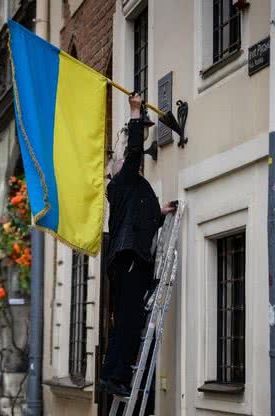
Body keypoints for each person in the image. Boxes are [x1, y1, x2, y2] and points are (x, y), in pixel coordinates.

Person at [99, 93, 176, 399]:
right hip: (129, 259)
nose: (132, 166)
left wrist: (159, 215)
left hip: (127, 258)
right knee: (130, 320)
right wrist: (134, 113)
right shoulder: (123, 182)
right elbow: (133, 153)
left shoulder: (128, 193)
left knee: (126, 321)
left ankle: (111, 375)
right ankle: (116, 376)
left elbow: (139, 221)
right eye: (125, 165)